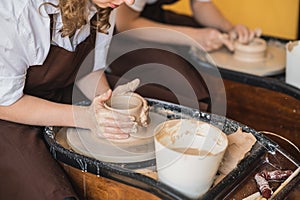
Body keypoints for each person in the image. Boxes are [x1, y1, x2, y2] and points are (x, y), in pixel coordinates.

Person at [0, 0, 137, 199]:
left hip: (59, 92)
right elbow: (5, 103)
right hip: (10, 115)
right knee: (54, 192)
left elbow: (89, 69)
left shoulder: (107, 4)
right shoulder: (19, 10)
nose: (129, 1)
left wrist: (110, 103)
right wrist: (85, 118)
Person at [115, 0, 256, 52]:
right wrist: (193, 37)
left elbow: (201, 4)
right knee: (175, 73)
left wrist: (229, 28)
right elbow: (125, 23)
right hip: (110, 27)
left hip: (151, 11)